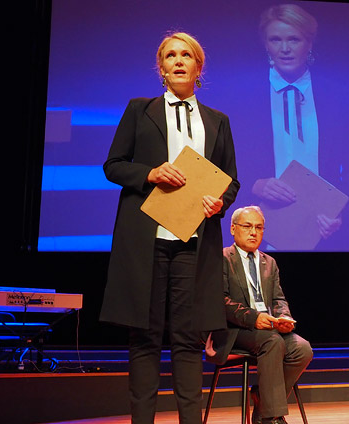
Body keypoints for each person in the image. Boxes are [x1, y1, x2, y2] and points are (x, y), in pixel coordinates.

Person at [99, 31, 240, 424]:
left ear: (199, 67)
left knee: (187, 340)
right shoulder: (139, 110)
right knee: (144, 338)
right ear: (161, 68)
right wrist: (151, 173)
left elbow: (230, 179)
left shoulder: (217, 120)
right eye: (170, 56)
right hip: (146, 241)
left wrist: (220, 203)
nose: (178, 61)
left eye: (187, 55)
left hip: (194, 242)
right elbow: (113, 166)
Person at [224, 3, 349, 249]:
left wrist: (338, 212)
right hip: (257, 230)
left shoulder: (338, 97)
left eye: (293, 39)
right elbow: (220, 163)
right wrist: (254, 184)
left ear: (309, 43)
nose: (284, 49)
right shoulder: (242, 98)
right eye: (275, 39)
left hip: (323, 235)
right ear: (265, 44)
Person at [213, 206, 313, 424]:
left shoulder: (269, 262)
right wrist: (253, 318)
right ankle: (271, 418)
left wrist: (284, 318)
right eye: (247, 226)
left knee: (302, 349)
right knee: (273, 342)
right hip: (234, 330)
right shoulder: (222, 258)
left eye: (259, 227)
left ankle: (262, 402)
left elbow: (278, 299)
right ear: (233, 228)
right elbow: (220, 301)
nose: (253, 232)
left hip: (267, 328)